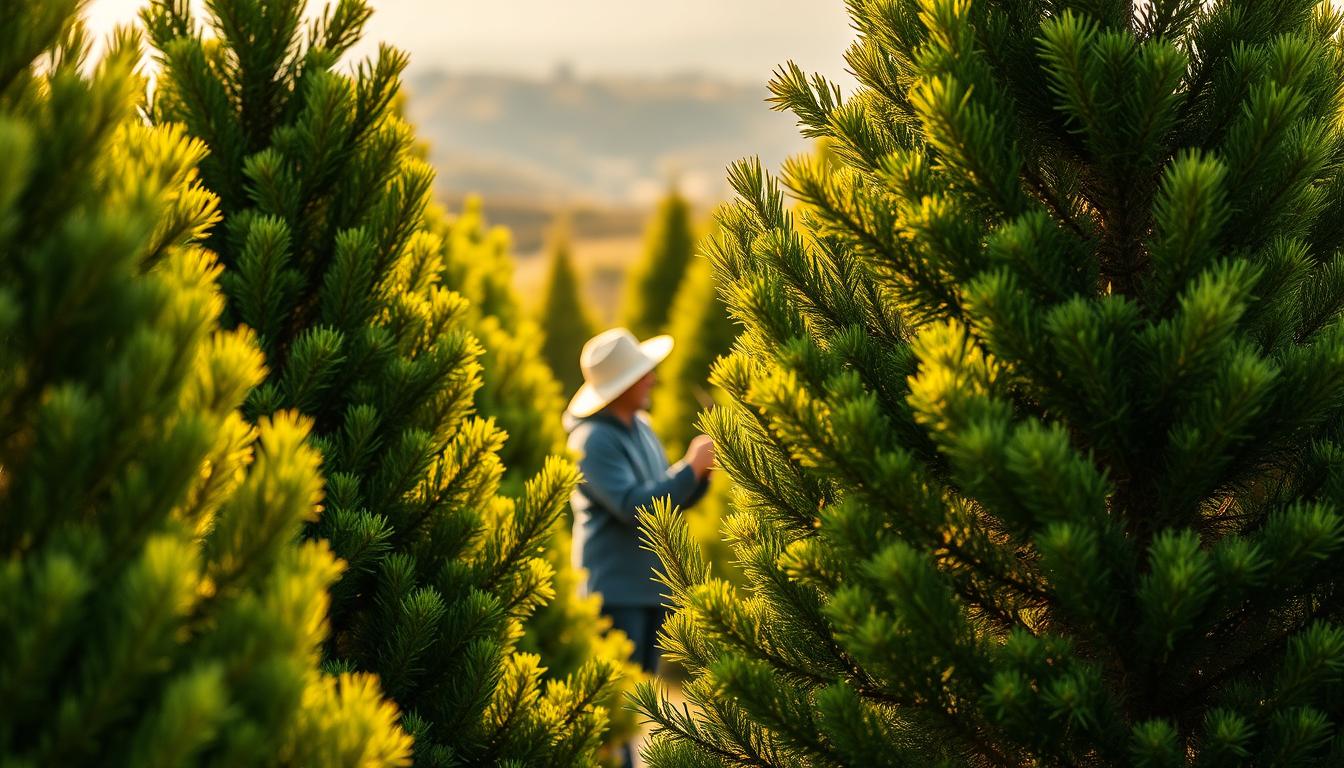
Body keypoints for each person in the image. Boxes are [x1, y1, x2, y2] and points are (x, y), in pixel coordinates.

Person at [566, 326, 715, 673]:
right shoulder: (591, 441)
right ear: (621, 385)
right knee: (620, 701)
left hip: (648, 589)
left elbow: (667, 501)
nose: (652, 378)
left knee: (644, 700)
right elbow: (635, 507)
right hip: (615, 595)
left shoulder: (641, 427)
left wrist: (700, 476)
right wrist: (689, 467)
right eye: (642, 373)